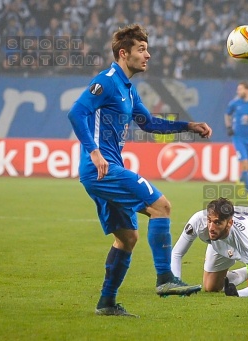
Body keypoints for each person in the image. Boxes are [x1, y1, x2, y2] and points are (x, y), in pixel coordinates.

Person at [67, 24, 212, 318]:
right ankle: (164, 279)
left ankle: (106, 303)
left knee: (127, 238)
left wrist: (188, 126)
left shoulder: (128, 90)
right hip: (101, 170)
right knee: (162, 206)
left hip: (106, 170)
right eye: (142, 50)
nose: (148, 55)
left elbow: (148, 123)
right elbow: (76, 112)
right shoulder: (106, 81)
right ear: (124, 53)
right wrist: (93, 151)